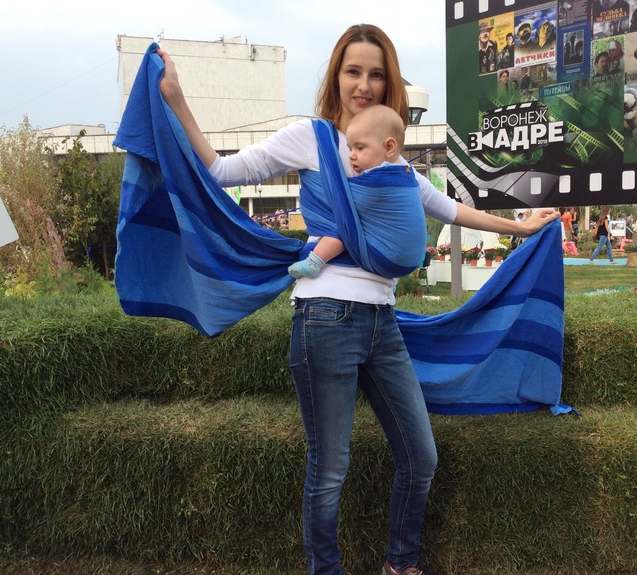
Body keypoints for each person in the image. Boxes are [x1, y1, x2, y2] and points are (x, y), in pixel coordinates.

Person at [156, 24, 558, 575]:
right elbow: (222, 171)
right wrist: (176, 99)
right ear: (336, 77)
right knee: (330, 469)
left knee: (421, 457)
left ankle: (401, 564)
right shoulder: (312, 138)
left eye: (375, 74)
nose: (363, 85)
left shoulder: (394, 164)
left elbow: (450, 209)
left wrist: (521, 226)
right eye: (353, 72)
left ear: (389, 83)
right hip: (325, 317)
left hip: (383, 324)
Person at [288, 104, 409, 279]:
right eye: (350, 148)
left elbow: (343, 196)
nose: (351, 155)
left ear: (389, 147)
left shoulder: (381, 180)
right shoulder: (405, 173)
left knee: (342, 230)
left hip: (385, 256)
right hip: (403, 261)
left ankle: (314, 262)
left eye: (360, 148)